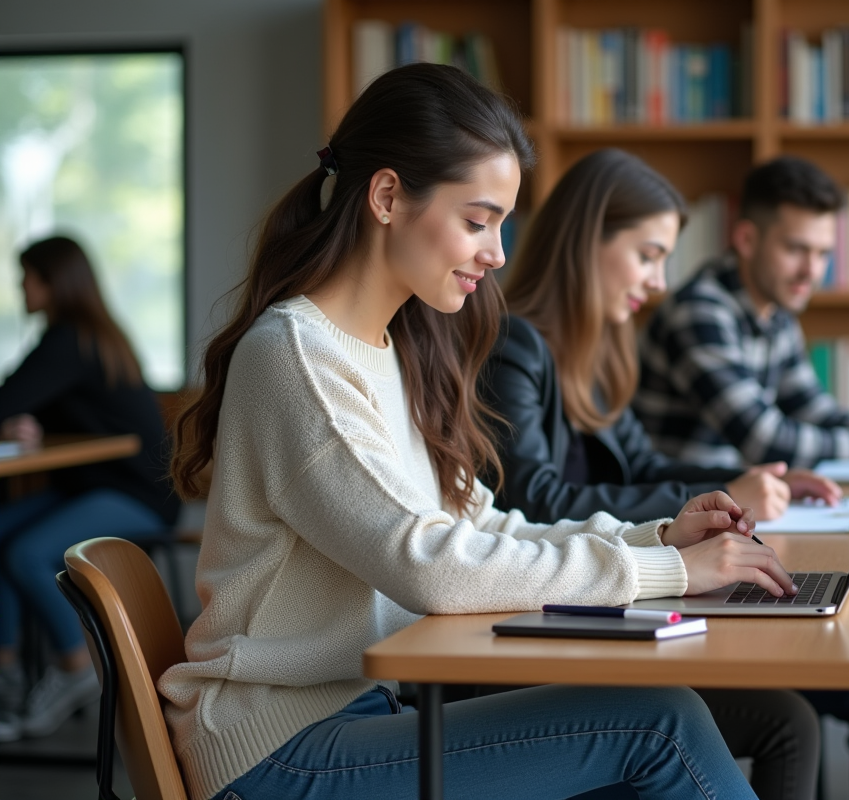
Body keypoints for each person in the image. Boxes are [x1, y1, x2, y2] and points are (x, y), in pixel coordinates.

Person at [161, 64, 794, 800]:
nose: (495, 253)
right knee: (661, 726)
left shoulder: (390, 348)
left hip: (356, 712)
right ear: (388, 197)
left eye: (500, 224)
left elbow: (480, 523)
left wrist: (653, 540)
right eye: (476, 220)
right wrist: (673, 577)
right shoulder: (297, 357)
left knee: (658, 727)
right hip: (275, 751)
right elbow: (428, 564)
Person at [487, 148, 849, 800]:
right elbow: (532, 499)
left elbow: (643, 465)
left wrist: (739, 480)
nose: (658, 280)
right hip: (579, 602)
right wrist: (722, 497)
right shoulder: (516, 343)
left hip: (625, 585)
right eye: (647, 256)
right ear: (588, 242)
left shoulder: (591, 347)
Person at [633, 155, 849, 471]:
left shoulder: (775, 310)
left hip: (728, 505)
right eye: (796, 249)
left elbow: (816, 414)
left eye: (823, 253)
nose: (811, 271)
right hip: (676, 518)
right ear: (746, 239)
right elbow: (767, 441)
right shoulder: (699, 313)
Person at [0, 236, 180, 742]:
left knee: (27, 554)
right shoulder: (89, 335)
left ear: (51, 282)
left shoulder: (69, 339)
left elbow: (8, 397)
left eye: (26, 277)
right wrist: (26, 418)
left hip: (137, 496)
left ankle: (77, 667)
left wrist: (17, 413)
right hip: (93, 484)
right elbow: (29, 401)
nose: (20, 287)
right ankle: (8, 673)